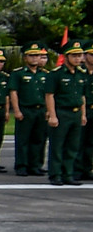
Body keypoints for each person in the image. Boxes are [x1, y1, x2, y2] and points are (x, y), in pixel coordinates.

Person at [45, 42, 88, 186]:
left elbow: (82, 96)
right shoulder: (56, 74)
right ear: (66, 57)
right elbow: (49, 95)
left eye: (79, 55)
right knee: (57, 145)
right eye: (74, 56)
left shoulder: (81, 74)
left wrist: (83, 114)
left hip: (76, 113)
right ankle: (56, 174)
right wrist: (52, 115)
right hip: (62, 112)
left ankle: (68, 174)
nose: (77, 59)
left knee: (72, 146)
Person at [11, 44, 52, 176]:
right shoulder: (18, 73)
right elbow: (13, 92)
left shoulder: (45, 74)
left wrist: (49, 110)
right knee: (23, 140)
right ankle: (22, 165)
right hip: (26, 109)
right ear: (25, 58)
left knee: (39, 139)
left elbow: (48, 94)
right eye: (32, 55)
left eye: (37, 55)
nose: (35, 58)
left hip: (41, 110)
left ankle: (35, 165)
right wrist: (16, 110)